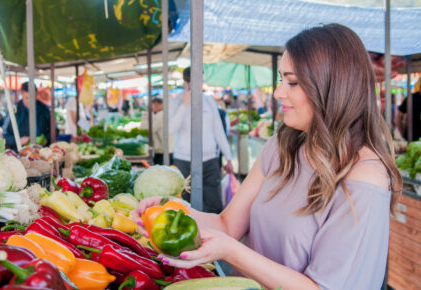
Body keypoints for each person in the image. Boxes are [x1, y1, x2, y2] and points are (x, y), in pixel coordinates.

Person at [134, 24, 401, 289]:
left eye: (293, 82)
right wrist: (170, 210)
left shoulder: (364, 176)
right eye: (280, 79)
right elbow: (227, 224)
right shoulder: (282, 146)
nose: (278, 92)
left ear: (334, 86)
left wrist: (232, 252)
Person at [169, 67, 234, 214]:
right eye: (194, 80)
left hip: (210, 161)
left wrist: (228, 158)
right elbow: (171, 130)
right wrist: (184, 105)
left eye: (201, 79)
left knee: (213, 204)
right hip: (184, 161)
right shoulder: (177, 102)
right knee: (184, 205)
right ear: (187, 82)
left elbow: (219, 131)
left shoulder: (209, 101)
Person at [4, 82, 52, 148]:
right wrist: (18, 140)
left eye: (32, 98)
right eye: (26, 98)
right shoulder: (14, 110)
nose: (30, 101)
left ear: (36, 94)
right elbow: (4, 134)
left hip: (42, 150)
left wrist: (47, 139)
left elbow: (53, 130)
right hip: (20, 151)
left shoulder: (44, 109)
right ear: (22, 95)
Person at [140, 97, 174, 165]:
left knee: (162, 170)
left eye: (158, 104)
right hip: (161, 149)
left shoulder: (161, 115)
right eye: (154, 104)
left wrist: (144, 118)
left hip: (164, 149)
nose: (156, 106)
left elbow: (148, 129)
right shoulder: (156, 114)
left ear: (162, 105)